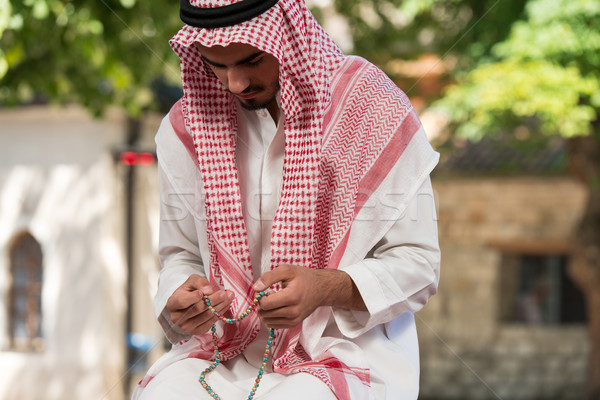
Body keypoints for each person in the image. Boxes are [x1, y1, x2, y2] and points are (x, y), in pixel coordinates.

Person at [133, 0, 440, 399]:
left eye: (252, 59)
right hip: (225, 354)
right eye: (216, 65)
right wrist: (182, 295)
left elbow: (419, 265)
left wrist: (325, 288)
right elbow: (182, 256)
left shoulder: (370, 105)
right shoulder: (184, 127)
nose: (235, 83)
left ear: (288, 32)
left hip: (347, 353)